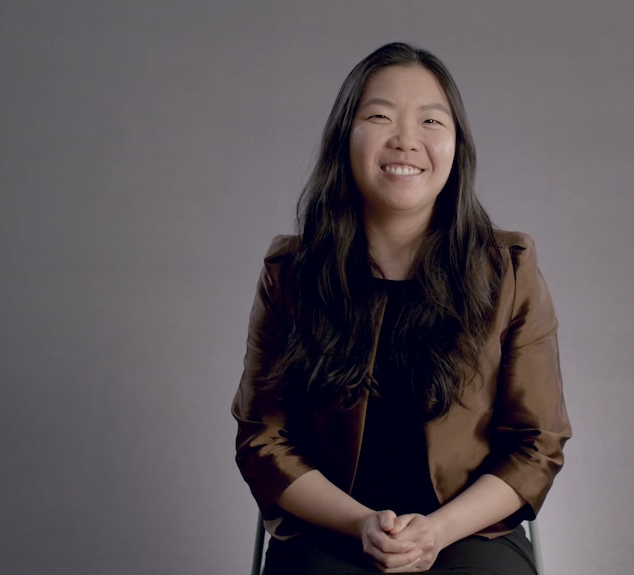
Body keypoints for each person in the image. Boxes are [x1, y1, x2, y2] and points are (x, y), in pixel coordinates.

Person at [232, 42, 571, 574]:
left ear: (457, 145)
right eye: (379, 116)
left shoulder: (507, 269)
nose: (406, 140)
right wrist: (360, 523)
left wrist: (437, 531)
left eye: (431, 121)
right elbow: (263, 439)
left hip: (467, 530)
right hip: (330, 528)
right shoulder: (293, 274)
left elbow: (536, 443)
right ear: (346, 137)